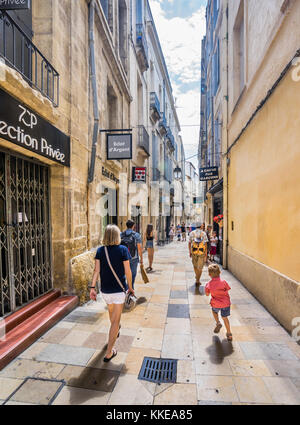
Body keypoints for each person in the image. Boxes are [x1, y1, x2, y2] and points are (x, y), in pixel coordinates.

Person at [89, 225, 134, 361]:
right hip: (119, 291)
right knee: (115, 321)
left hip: (105, 290)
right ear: (117, 236)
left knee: (112, 315)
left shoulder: (100, 251)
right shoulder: (123, 250)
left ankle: (115, 329)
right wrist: (130, 288)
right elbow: (128, 271)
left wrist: (92, 287)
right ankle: (109, 352)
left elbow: (96, 271)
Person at [205, 264, 232, 341]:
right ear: (219, 272)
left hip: (216, 303)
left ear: (209, 274)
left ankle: (218, 322)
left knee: (214, 312)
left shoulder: (208, 284)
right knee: (225, 318)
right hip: (226, 303)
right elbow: (227, 289)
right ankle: (229, 334)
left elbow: (207, 294)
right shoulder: (224, 282)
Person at [120, 220, 143, 290]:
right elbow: (139, 248)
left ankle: (125, 290)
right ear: (133, 226)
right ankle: (130, 289)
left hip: (123, 258)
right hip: (134, 258)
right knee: (132, 276)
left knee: (123, 275)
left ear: (126, 226)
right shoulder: (136, 235)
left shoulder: (121, 234)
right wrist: (141, 259)